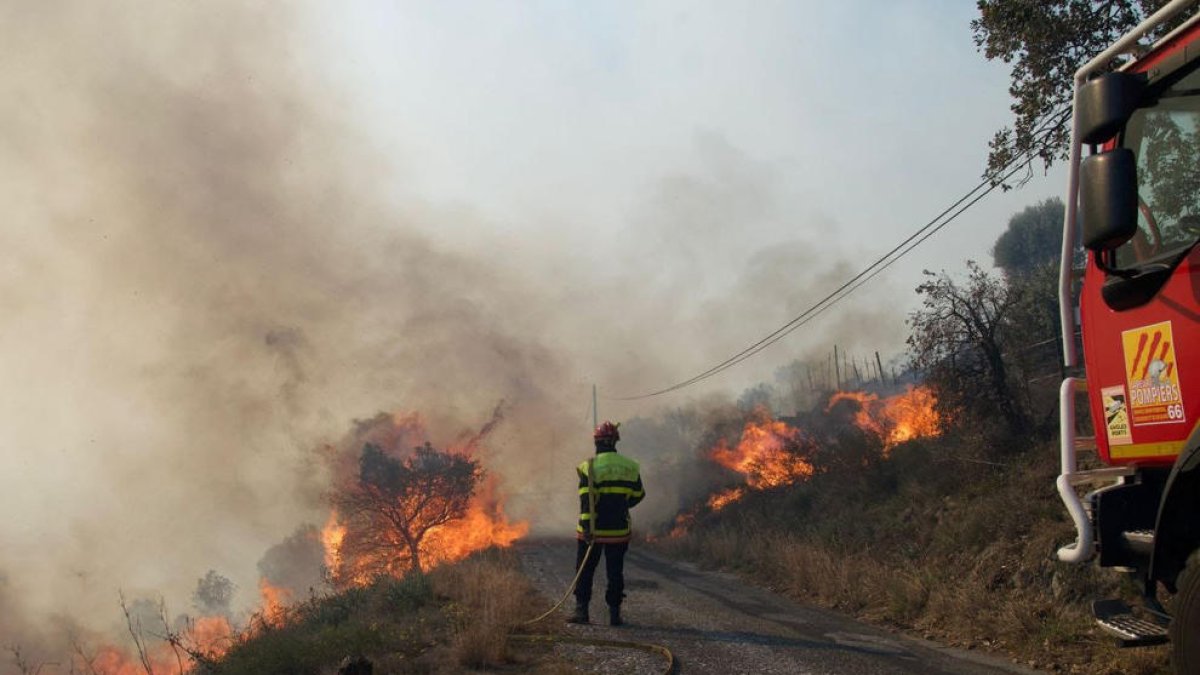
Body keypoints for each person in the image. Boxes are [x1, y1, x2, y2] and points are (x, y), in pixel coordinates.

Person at [569, 420, 645, 626]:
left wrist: (586, 529)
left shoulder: (588, 467)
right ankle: (614, 615)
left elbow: (586, 502)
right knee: (615, 571)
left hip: (592, 531)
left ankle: (582, 612)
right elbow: (638, 495)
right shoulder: (630, 466)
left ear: (596, 442)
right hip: (618, 530)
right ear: (615, 442)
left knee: (585, 570)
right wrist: (620, 505)